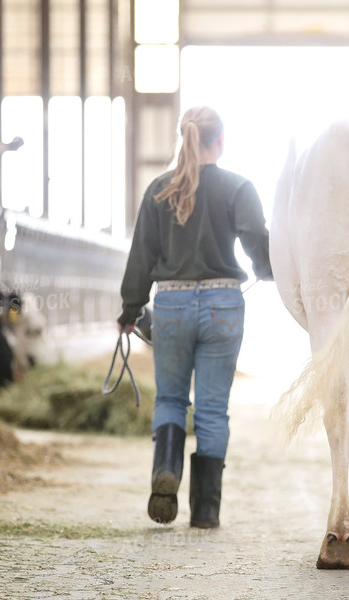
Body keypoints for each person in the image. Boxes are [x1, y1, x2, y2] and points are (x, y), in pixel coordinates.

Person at [118, 105, 273, 528]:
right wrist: (268, 269)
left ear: (182, 137)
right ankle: (205, 511)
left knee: (170, 398)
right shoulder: (239, 187)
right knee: (211, 410)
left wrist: (131, 309)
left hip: (170, 306)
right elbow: (257, 238)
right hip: (223, 304)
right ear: (219, 141)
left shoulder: (158, 190)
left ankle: (164, 471)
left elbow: (141, 257)